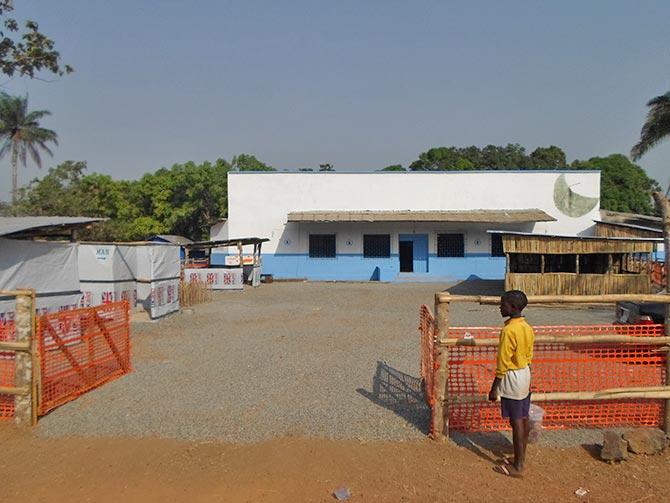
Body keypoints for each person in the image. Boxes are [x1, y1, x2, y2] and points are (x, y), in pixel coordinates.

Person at [488, 290, 535, 478]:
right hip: (525, 374)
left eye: (503, 304)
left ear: (513, 308)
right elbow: (529, 354)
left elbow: (503, 362)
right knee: (523, 417)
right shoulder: (527, 327)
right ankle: (519, 457)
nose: (500, 307)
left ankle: (518, 466)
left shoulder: (508, 331)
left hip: (512, 377)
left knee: (516, 421)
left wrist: (494, 388)